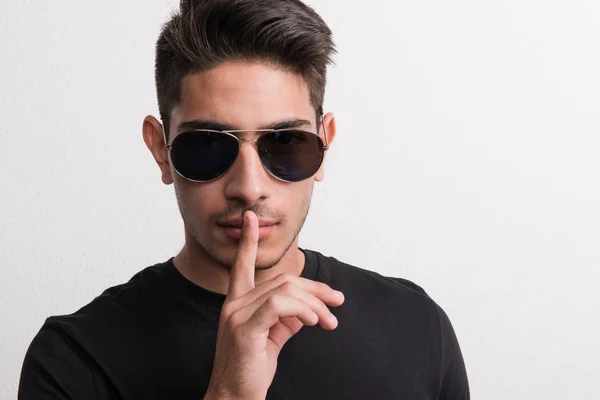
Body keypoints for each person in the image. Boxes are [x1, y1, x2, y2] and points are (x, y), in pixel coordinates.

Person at [18, 0, 470, 398]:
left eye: (286, 144)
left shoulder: (416, 328)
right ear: (161, 150)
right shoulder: (75, 361)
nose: (249, 186)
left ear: (324, 143)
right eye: (208, 146)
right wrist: (230, 393)